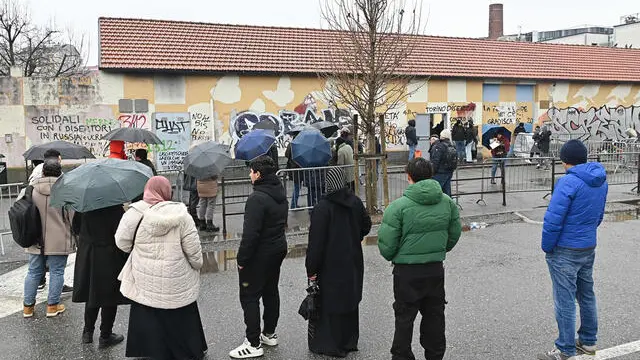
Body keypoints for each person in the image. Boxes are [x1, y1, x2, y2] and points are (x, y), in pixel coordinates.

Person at [377, 157, 462, 360]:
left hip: (406, 271)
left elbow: (387, 245)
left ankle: (402, 355)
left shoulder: (398, 207)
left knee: (404, 318)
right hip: (434, 268)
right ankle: (435, 354)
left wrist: (397, 255)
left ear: (409, 177)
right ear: (431, 174)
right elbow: (454, 233)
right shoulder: (447, 203)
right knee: (434, 315)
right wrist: (439, 249)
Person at [116, 176, 207, 360]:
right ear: (167, 191)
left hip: (145, 278)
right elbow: (194, 252)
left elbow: (121, 243)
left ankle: (149, 350)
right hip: (177, 279)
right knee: (181, 315)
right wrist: (196, 266)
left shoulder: (134, 213)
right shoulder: (181, 215)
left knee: (147, 311)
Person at [537, 140, 608, 360]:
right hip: (587, 244)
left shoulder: (568, 182)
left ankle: (565, 348)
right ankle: (588, 341)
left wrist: (547, 246)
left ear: (564, 160)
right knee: (586, 294)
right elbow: (599, 215)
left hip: (565, 248)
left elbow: (553, 220)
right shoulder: (600, 180)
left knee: (565, 300)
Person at [305, 168, 371, 357]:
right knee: (350, 298)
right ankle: (349, 340)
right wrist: (354, 236)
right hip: (352, 259)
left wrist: (311, 269)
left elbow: (315, 244)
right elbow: (366, 226)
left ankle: (331, 343)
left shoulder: (322, 208)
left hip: (330, 263)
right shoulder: (355, 202)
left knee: (330, 301)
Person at [230, 155, 288, 359]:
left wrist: (241, 260)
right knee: (271, 291)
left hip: (259, 254)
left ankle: (253, 343)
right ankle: (269, 333)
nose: (249, 174)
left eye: (252, 171)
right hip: (277, 248)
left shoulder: (257, 198)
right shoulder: (279, 192)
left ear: (258, 174)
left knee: (250, 296)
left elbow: (250, 234)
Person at [23, 160, 75, 318]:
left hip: (34, 237)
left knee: (33, 272)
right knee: (57, 272)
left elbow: (20, 210)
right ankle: (52, 306)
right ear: (60, 173)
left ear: (43, 172)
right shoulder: (65, 191)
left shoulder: (30, 189)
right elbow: (72, 217)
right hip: (58, 238)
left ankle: (28, 308)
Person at [72, 204, 129, 347]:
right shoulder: (114, 207)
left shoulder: (84, 205)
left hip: (88, 254)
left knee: (92, 292)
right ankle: (105, 335)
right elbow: (121, 233)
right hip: (109, 254)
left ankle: (87, 332)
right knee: (110, 295)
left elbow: (76, 228)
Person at [430, 129, 457, 197]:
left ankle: (437, 206)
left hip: (440, 172)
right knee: (447, 192)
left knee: (436, 192)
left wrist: (432, 172)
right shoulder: (452, 145)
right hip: (449, 171)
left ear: (441, 136)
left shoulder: (440, 146)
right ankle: (448, 206)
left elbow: (435, 161)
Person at [285, 138, 302, 209]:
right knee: (297, 187)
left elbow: (286, 154)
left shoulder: (290, 144)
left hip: (292, 168)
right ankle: (293, 205)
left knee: (297, 187)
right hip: (297, 169)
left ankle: (294, 204)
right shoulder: (298, 146)